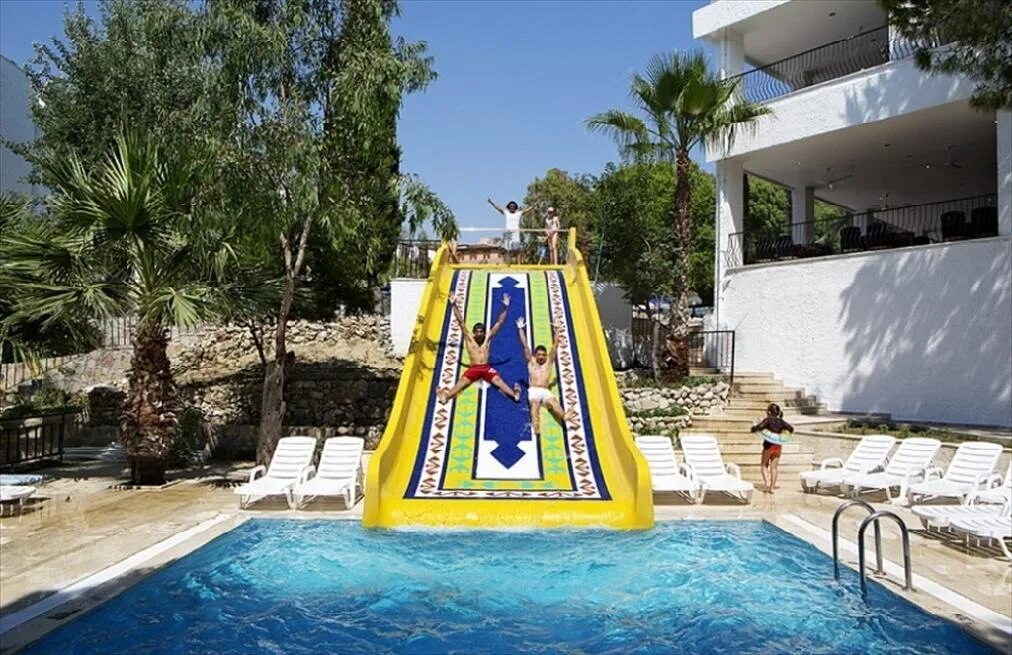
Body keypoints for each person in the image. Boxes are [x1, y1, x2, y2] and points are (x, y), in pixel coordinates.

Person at [437, 293, 521, 404]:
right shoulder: (469, 338)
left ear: (484, 332)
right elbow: (460, 321)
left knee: (498, 381)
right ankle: (446, 397)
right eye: (477, 332)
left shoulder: (487, 338)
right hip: (474, 368)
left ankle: (514, 395)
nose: (480, 334)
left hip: (486, 368)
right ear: (474, 332)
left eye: (481, 332)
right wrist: (454, 305)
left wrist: (505, 308)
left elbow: (499, 323)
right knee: (461, 383)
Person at [515, 317, 576, 436]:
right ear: (535, 355)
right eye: (539, 355)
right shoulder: (531, 362)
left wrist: (557, 330)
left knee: (554, 403)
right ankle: (536, 426)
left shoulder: (549, 363)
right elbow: (525, 345)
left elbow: (555, 346)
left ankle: (564, 416)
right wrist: (520, 329)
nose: (541, 357)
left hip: (545, 390)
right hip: (533, 390)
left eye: (543, 355)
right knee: (534, 407)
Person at [750, 402, 794, 493]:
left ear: (769, 412)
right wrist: (782, 434)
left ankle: (767, 483)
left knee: (764, 465)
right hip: (778, 446)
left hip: (768, 445)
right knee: (774, 468)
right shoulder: (781, 422)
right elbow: (791, 428)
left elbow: (760, 427)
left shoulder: (768, 420)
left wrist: (753, 429)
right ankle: (772, 488)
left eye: (767, 411)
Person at [487, 198, 535, 264]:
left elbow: (526, 211)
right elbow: (498, 208)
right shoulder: (506, 213)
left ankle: (519, 264)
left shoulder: (518, 213)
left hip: (516, 233)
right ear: (509, 207)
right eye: (511, 206)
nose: (512, 207)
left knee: (517, 249)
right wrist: (491, 203)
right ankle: (508, 264)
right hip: (508, 232)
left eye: (513, 206)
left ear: (515, 207)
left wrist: (533, 206)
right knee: (507, 249)